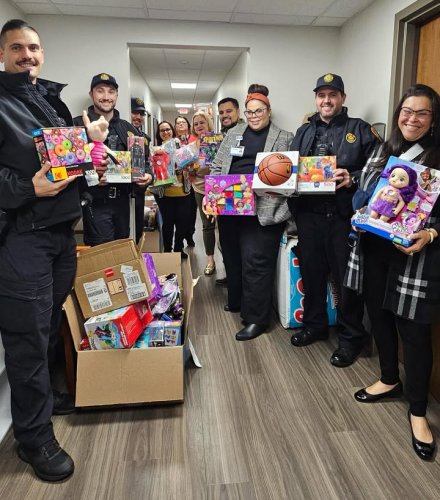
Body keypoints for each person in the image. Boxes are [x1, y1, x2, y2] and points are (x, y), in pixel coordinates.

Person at [0, 18, 77, 481]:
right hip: (21, 238)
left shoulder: (49, 99)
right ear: (3, 54)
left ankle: (46, 403)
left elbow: (60, 161)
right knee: (27, 340)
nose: (27, 55)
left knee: (47, 329)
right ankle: (34, 440)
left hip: (60, 233)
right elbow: (24, 178)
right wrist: (26, 187)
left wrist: (91, 151)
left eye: (33, 47)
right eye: (16, 48)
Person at [347, 83, 440, 461]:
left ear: (433, 120)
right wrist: (366, 204)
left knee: (415, 333)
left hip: (414, 256)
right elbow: (359, 197)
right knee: (379, 318)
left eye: (421, 113)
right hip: (374, 250)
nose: (411, 119)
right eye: (406, 111)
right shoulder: (382, 151)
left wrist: (431, 231)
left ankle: (418, 412)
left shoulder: (437, 159)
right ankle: (389, 378)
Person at [288, 73, 379, 367]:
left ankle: (351, 338)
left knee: (346, 281)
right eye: (321, 95)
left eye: (332, 95)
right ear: (316, 99)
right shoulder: (302, 132)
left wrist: (351, 177)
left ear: (343, 98)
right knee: (312, 274)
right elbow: (288, 169)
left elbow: (380, 172)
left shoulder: (360, 130)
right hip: (308, 216)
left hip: (343, 218)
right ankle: (314, 325)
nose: (326, 101)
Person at [211, 84, 293, 341]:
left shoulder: (284, 137)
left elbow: (290, 179)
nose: (255, 116)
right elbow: (217, 166)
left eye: (259, 111)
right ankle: (236, 301)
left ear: (269, 110)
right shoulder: (233, 134)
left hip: (264, 208)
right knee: (233, 256)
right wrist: (213, 198)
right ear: (244, 113)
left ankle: (256, 319)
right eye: (250, 112)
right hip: (230, 204)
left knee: (256, 262)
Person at [74, 75, 152, 245]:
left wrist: (148, 176)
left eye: (111, 92)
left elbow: (145, 162)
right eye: (100, 91)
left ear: (117, 95)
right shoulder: (78, 127)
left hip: (123, 203)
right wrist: (90, 172)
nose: (106, 96)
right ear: (91, 94)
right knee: (102, 259)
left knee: (124, 255)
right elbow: (66, 167)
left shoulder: (128, 128)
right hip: (95, 204)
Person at [152, 121, 192, 253]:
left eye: (167, 129)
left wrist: (184, 167)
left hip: (183, 193)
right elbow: (153, 172)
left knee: (182, 224)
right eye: (162, 130)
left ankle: (179, 250)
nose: (165, 132)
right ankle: (168, 251)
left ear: (172, 130)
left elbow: (190, 166)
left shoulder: (182, 146)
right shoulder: (155, 150)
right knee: (168, 224)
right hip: (165, 194)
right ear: (159, 134)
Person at [189, 111, 216, 275]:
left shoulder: (217, 141)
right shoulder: (190, 148)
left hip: (219, 187)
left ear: (208, 124)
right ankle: (210, 260)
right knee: (207, 225)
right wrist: (190, 170)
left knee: (225, 226)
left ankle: (228, 260)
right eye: (196, 123)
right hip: (200, 187)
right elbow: (190, 173)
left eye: (202, 122)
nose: (199, 126)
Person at [130, 96, 152, 242]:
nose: (138, 117)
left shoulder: (145, 138)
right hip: (122, 192)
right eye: (134, 112)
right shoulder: (119, 132)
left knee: (137, 230)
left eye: (141, 114)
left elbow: (146, 162)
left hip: (138, 190)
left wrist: (150, 175)